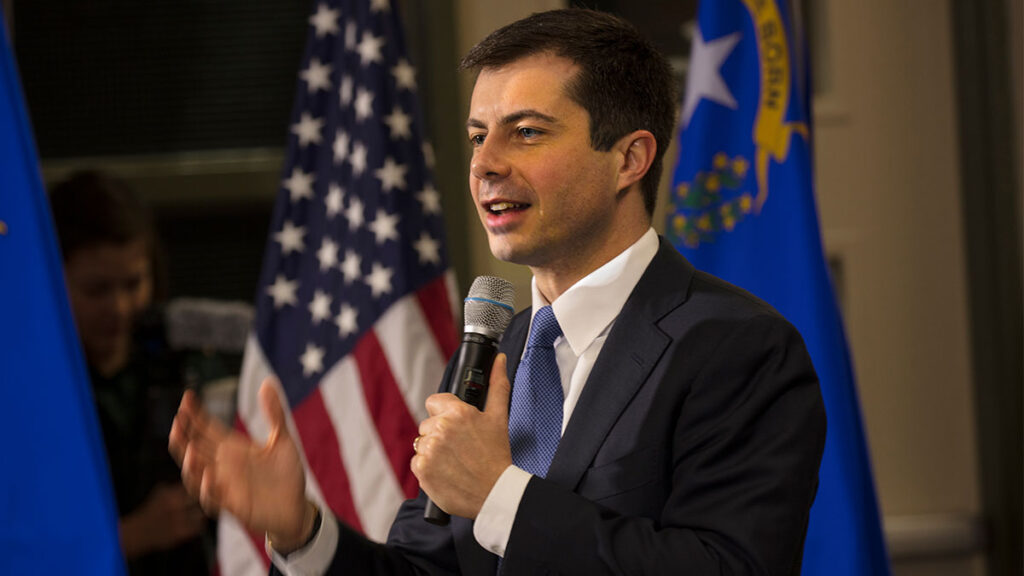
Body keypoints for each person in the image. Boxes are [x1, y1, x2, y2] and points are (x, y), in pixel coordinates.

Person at [170, 8, 826, 575]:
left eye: (527, 131)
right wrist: (301, 531)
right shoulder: (492, 352)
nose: (485, 164)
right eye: (479, 136)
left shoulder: (739, 350)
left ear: (629, 159)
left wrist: (499, 496)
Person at [50, 170, 212, 576]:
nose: (120, 308)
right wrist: (132, 535)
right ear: (53, 279)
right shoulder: (30, 390)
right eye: (97, 290)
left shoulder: (188, 365)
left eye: (133, 284)